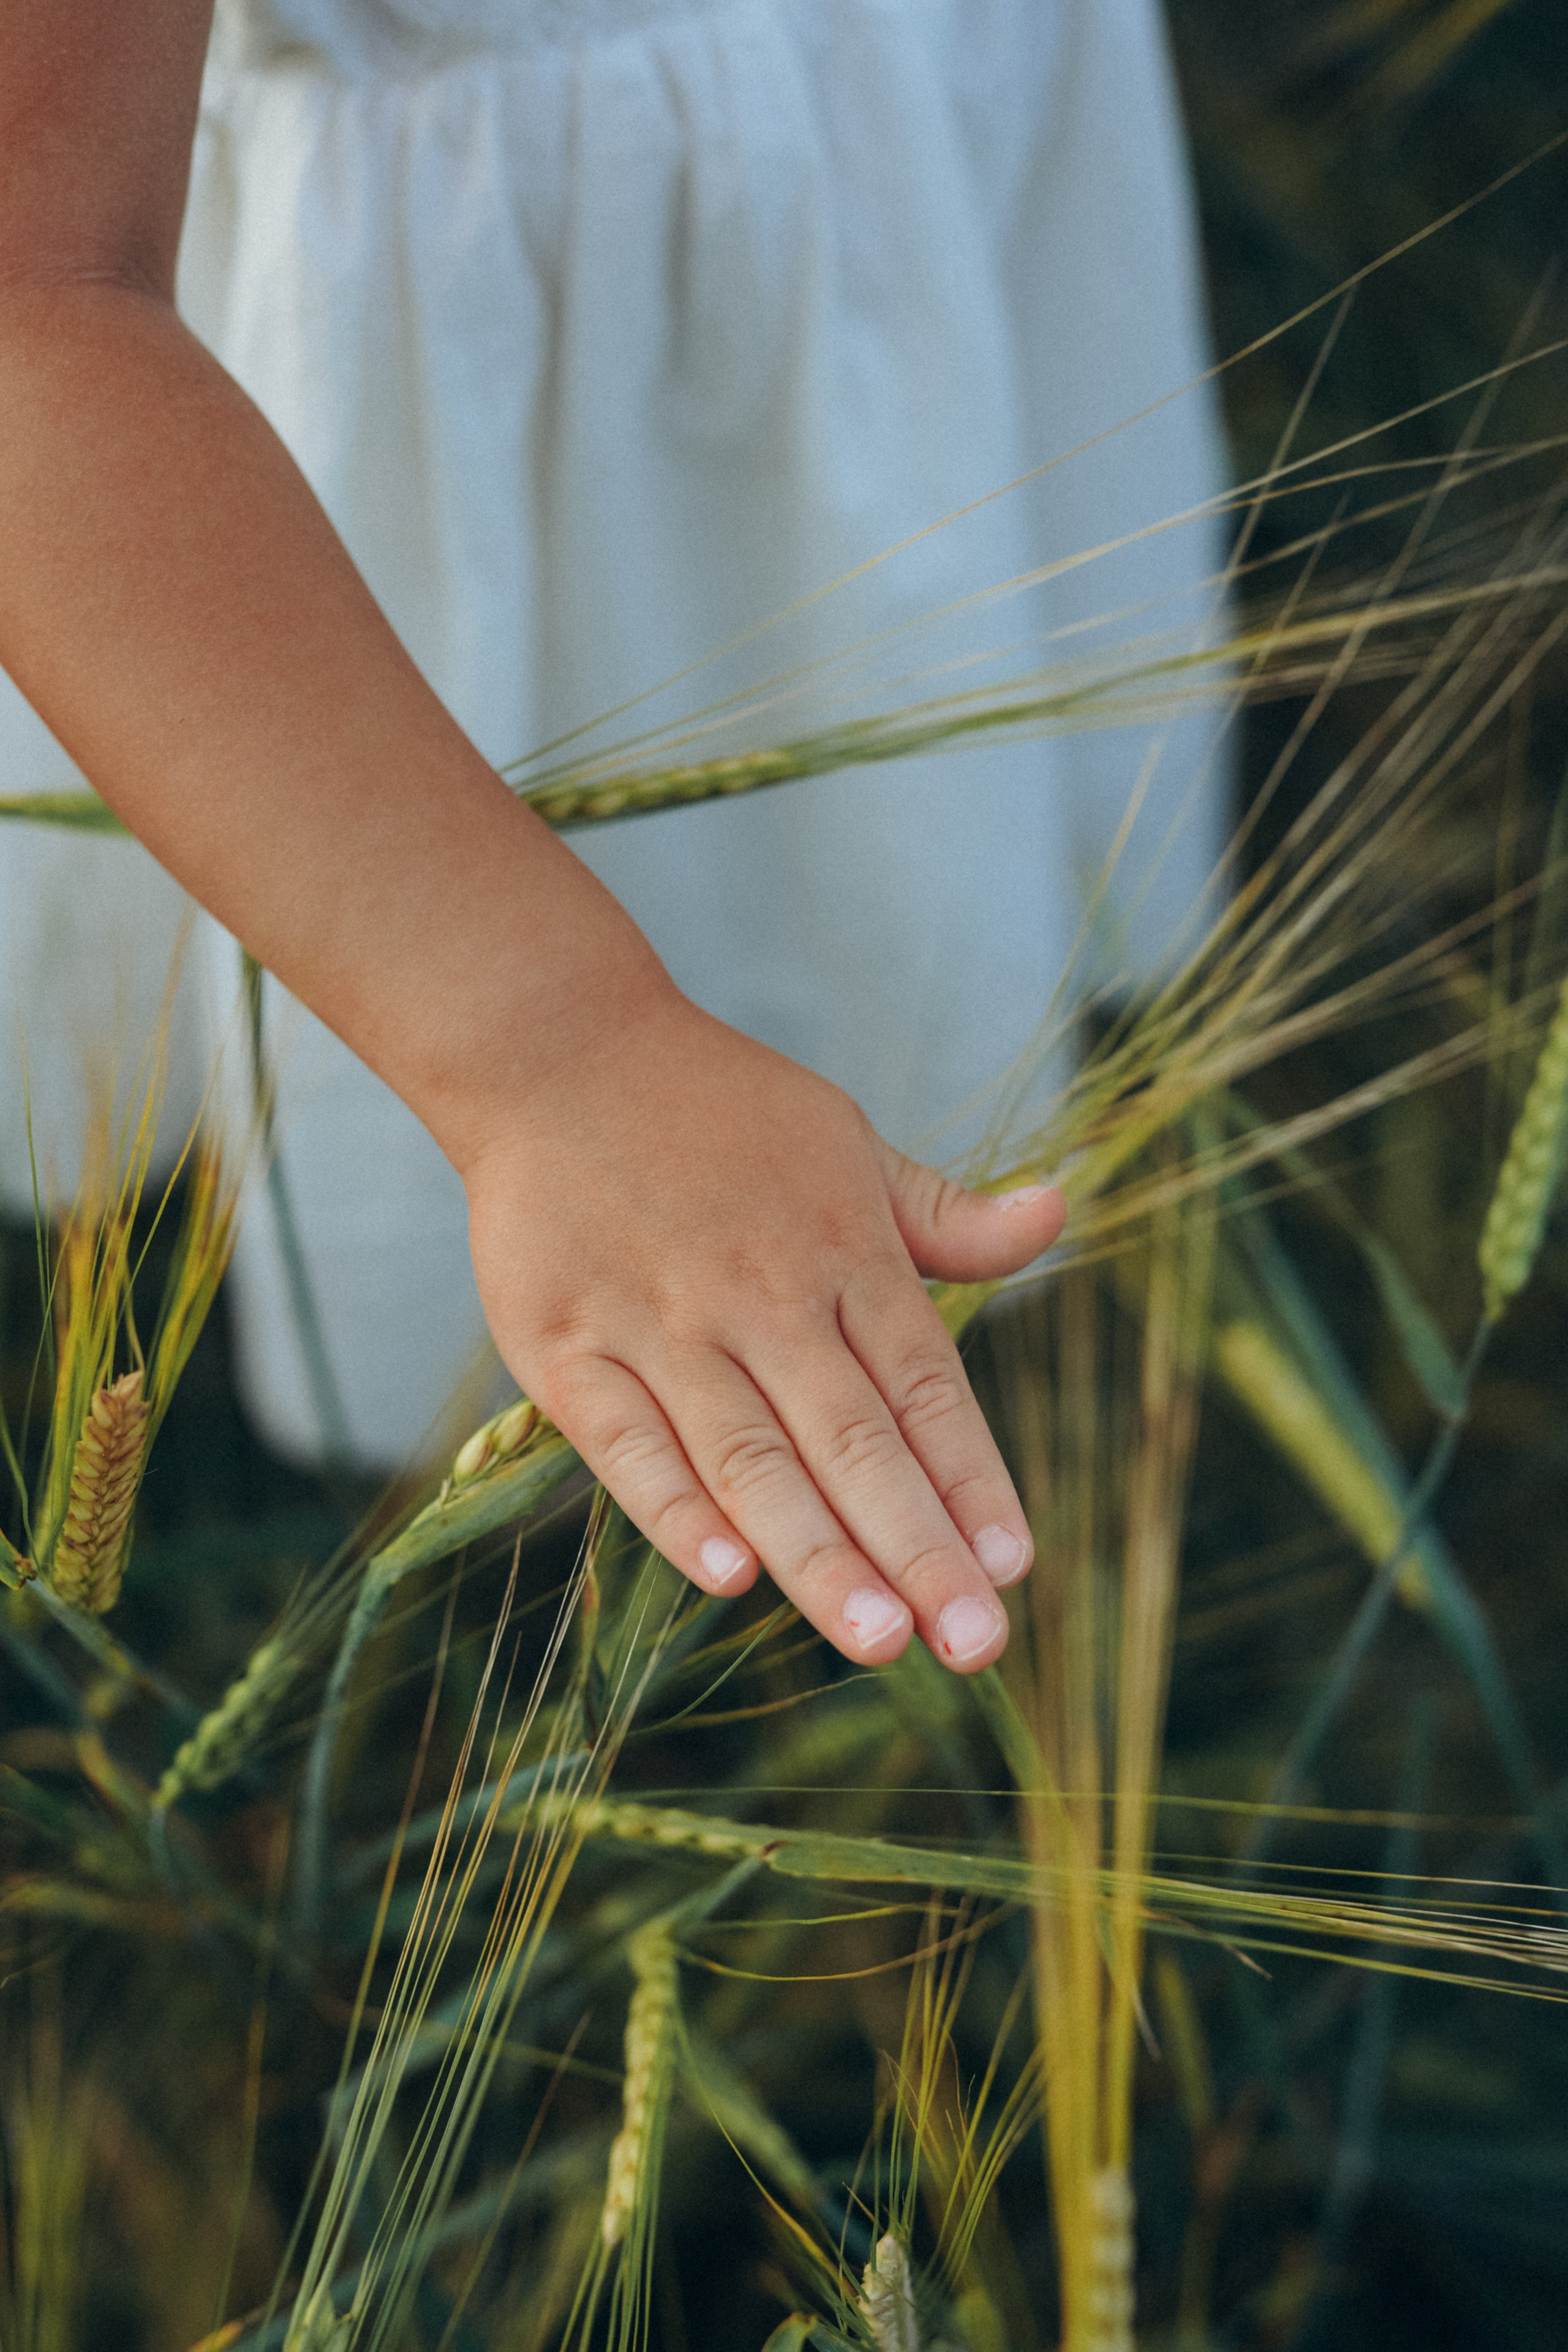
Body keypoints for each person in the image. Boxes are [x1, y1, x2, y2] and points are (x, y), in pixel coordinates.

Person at [0, 0, 1227, 1676]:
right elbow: (31, 292)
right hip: (372, 551)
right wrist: (551, 1048)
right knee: (582, 1149)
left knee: (896, 879)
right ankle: (509, 1616)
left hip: (901, 188)